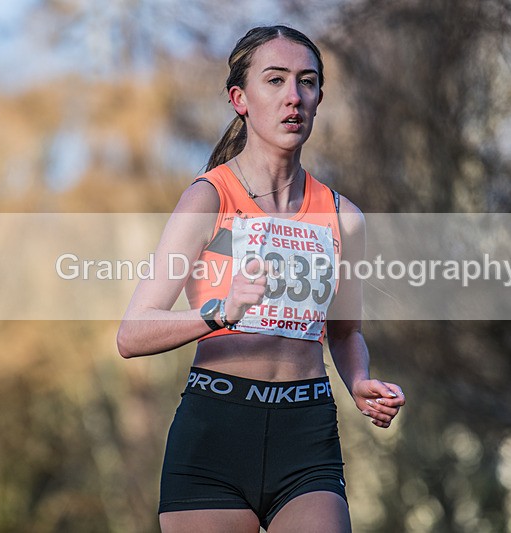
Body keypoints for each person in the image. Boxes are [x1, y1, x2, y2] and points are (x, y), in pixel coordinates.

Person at [117, 25, 405, 533]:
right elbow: (132, 333)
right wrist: (220, 312)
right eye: (275, 80)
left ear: (318, 98)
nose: (294, 96)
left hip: (307, 432)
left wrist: (358, 382)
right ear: (240, 98)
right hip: (215, 433)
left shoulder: (345, 218)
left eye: (307, 82)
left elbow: (345, 332)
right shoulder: (209, 198)